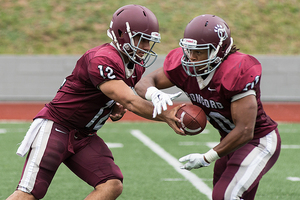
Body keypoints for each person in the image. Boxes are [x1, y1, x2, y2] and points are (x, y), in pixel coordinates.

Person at [7, 4, 183, 200]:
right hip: (57, 128)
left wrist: (111, 108)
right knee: (30, 193)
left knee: (111, 184)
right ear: (121, 34)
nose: (145, 47)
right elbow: (130, 100)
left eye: (149, 41)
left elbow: (112, 96)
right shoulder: (102, 58)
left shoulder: (134, 64)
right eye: (141, 39)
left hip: (84, 136)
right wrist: (167, 115)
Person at [135, 14, 281, 200]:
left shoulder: (235, 70)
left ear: (218, 51)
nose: (192, 57)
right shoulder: (184, 65)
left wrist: (207, 158)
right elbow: (144, 82)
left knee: (226, 196)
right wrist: (153, 93)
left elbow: (245, 130)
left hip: (257, 141)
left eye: (199, 51)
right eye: (189, 50)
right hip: (230, 141)